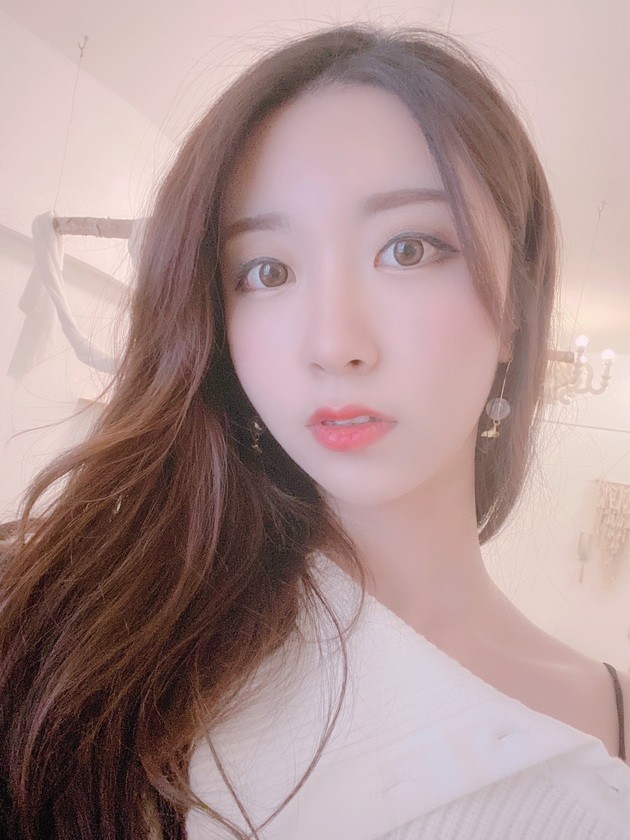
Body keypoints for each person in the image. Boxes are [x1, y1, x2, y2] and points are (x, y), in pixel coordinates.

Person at [0, 23, 628, 840]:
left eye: (408, 249)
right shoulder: (83, 634)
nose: (333, 344)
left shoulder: (602, 734)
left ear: (518, 308)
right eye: (268, 271)